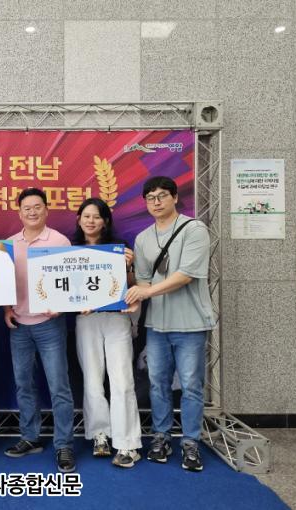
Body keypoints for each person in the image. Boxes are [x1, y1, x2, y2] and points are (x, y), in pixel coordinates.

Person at [125, 176, 216, 472]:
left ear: (175, 197)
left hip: (190, 324)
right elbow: (142, 280)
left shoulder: (194, 229)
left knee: (190, 386)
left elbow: (185, 275)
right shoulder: (143, 238)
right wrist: (133, 293)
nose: (156, 202)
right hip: (157, 325)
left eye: (162, 195)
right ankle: (161, 437)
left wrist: (146, 292)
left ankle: (190, 442)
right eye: (150, 197)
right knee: (158, 384)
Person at [3, 187, 76, 473]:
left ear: (46, 210)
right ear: (19, 212)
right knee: (24, 385)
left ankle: (64, 444)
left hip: (50, 325)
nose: (32, 212)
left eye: (37, 207)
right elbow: (3, 283)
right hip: (19, 325)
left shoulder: (59, 241)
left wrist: (62, 306)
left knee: (59, 386)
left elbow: (71, 280)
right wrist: (6, 309)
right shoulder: (9, 244)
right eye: (27, 208)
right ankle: (30, 437)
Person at [71, 197, 143, 468]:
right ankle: (99, 434)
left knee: (122, 381)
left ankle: (128, 443)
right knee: (92, 380)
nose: (91, 221)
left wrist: (129, 266)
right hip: (85, 320)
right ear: (79, 220)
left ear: (105, 221)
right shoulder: (70, 251)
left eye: (96, 216)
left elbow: (134, 286)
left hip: (117, 319)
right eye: (86, 216)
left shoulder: (120, 249)